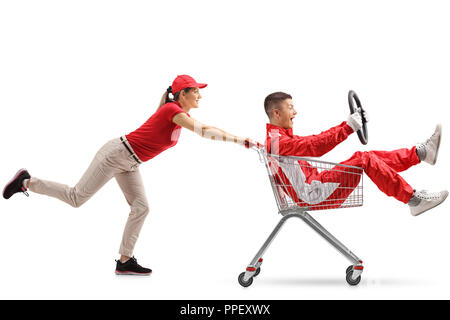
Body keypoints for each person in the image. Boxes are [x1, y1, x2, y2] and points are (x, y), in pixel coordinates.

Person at [3, 75, 256, 275]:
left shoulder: (177, 113)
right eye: (196, 90)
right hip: (116, 155)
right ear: (183, 94)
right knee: (76, 198)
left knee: (141, 206)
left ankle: (124, 261)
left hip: (130, 162)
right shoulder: (172, 111)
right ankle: (26, 181)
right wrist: (239, 140)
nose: (200, 95)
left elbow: (199, 128)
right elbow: (204, 131)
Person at [263, 91, 448, 216]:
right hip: (312, 194)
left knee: (365, 157)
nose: (295, 112)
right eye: (290, 107)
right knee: (365, 159)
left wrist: (349, 125)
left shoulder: (279, 138)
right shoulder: (277, 142)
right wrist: (349, 127)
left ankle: (421, 154)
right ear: (277, 113)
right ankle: (413, 199)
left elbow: (313, 140)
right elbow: (315, 146)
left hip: (315, 185)